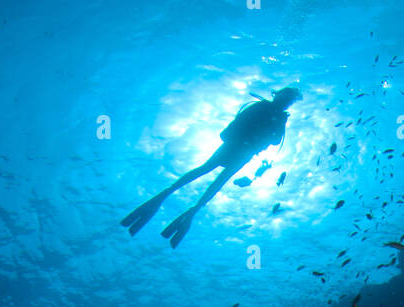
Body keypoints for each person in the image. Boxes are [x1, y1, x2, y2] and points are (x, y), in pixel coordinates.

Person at [121, 87, 302, 249]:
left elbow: (274, 140)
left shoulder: (277, 117)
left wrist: (278, 123)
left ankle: (191, 208)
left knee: (214, 179)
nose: (287, 102)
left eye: (290, 100)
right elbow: (258, 132)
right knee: (207, 172)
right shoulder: (261, 107)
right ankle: (173, 198)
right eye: (287, 98)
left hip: (243, 151)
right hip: (236, 147)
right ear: (278, 95)